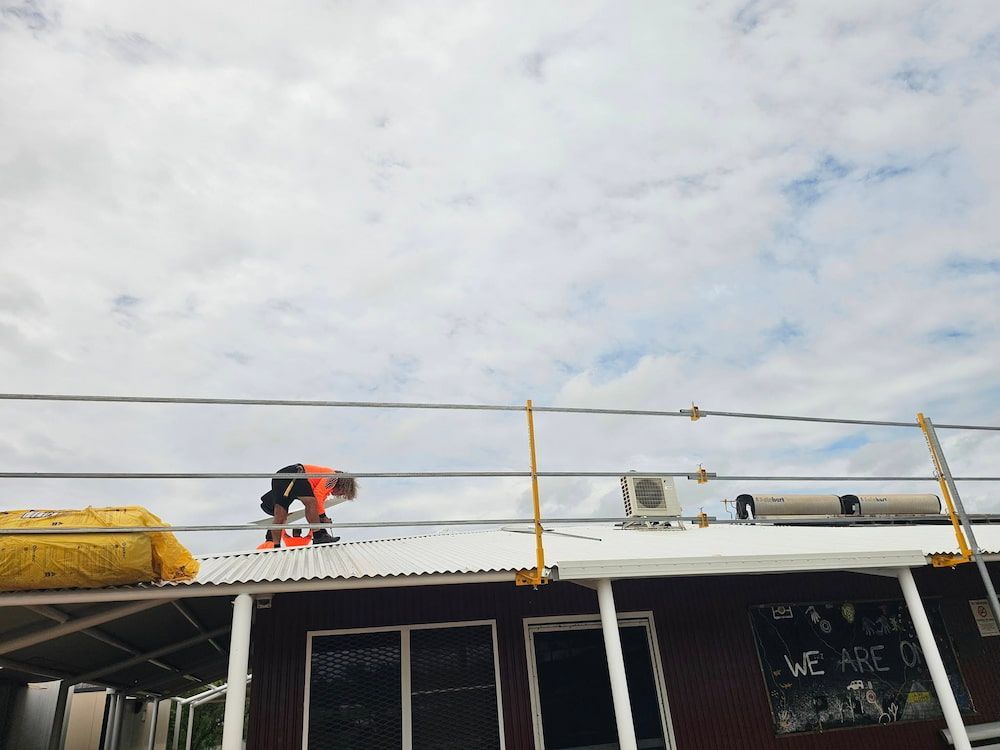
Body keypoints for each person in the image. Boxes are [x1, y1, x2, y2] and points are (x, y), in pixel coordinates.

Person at [259, 463, 358, 547]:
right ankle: (319, 536)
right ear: (343, 486)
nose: (340, 495)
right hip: (297, 474)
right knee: (311, 502)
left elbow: (319, 505)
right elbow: (317, 497)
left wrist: (322, 516)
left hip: (280, 477)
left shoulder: (325, 485)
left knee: (281, 516)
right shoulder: (333, 478)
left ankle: (276, 546)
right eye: (343, 493)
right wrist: (323, 517)